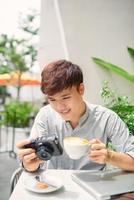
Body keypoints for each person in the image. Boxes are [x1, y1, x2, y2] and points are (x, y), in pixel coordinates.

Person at [16, 59, 134, 172]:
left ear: (81, 89)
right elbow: (31, 165)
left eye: (66, 97)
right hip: (53, 186)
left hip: (93, 187)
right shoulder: (45, 116)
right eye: (52, 99)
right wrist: (29, 163)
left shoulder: (107, 118)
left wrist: (110, 156)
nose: (60, 107)